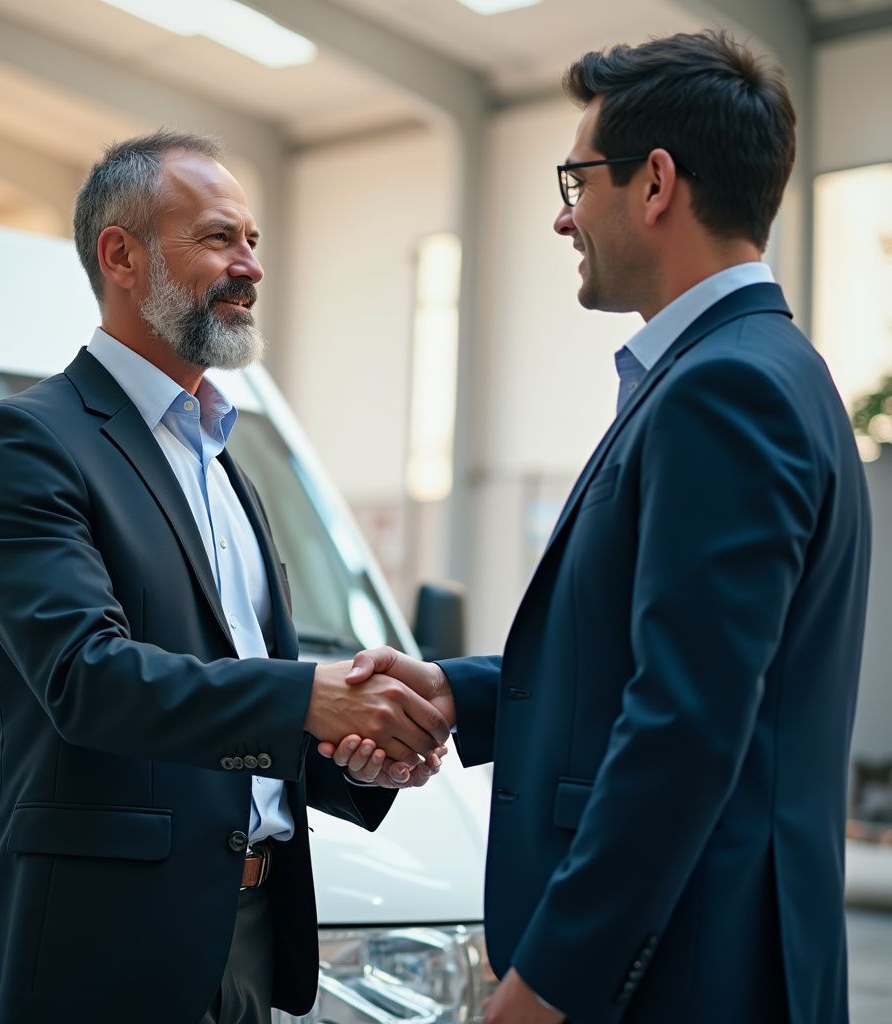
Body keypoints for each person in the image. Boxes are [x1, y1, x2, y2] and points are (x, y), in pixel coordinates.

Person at [330, 30, 872, 1024]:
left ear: (655, 182)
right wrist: (458, 692)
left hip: (691, 972)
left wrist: (545, 987)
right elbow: (657, 666)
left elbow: (684, 726)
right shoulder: (757, 368)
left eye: (577, 179)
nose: (559, 215)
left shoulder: (725, 390)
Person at [0, 131, 448, 1024]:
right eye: (220, 239)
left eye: (253, 242)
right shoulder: (24, 444)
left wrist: (357, 759)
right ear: (121, 254)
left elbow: (245, 700)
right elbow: (85, 678)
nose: (249, 266)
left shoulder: (226, 464)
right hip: (101, 947)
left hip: (249, 931)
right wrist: (309, 700)